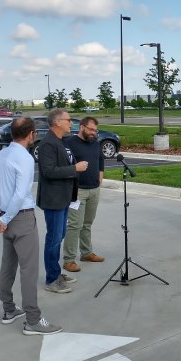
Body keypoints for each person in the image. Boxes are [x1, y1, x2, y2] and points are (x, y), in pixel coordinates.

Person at [0, 117, 61, 335]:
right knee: (29, 270)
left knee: (7, 265)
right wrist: (5, 219)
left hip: (5, 217)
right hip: (19, 218)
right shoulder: (25, 158)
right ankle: (33, 320)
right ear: (31, 134)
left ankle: (9, 309)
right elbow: (21, 194)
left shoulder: (2, 154)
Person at [37, 109, 88, 293]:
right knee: (54, 239)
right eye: (68, 120)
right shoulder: (47, 144)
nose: (71, 123)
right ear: (57, 122)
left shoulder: (59, 141)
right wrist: (75, 168)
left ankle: (56, 273)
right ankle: (52, 279)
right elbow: (49, 171)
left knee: (59, 236)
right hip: (54, 200)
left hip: (64, 198)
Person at [63, 116, 105, 273]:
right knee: (75, 225)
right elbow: (64, 164)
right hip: (77, 191)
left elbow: (100, 159)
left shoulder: (95, 143)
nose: (94, 133)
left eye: (96, 130)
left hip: (94, 189)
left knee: (87, 224)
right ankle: (68, 260)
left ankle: (86, 253)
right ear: (82, 127)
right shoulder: (69, 143)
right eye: (91, 129)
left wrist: (100, 175)